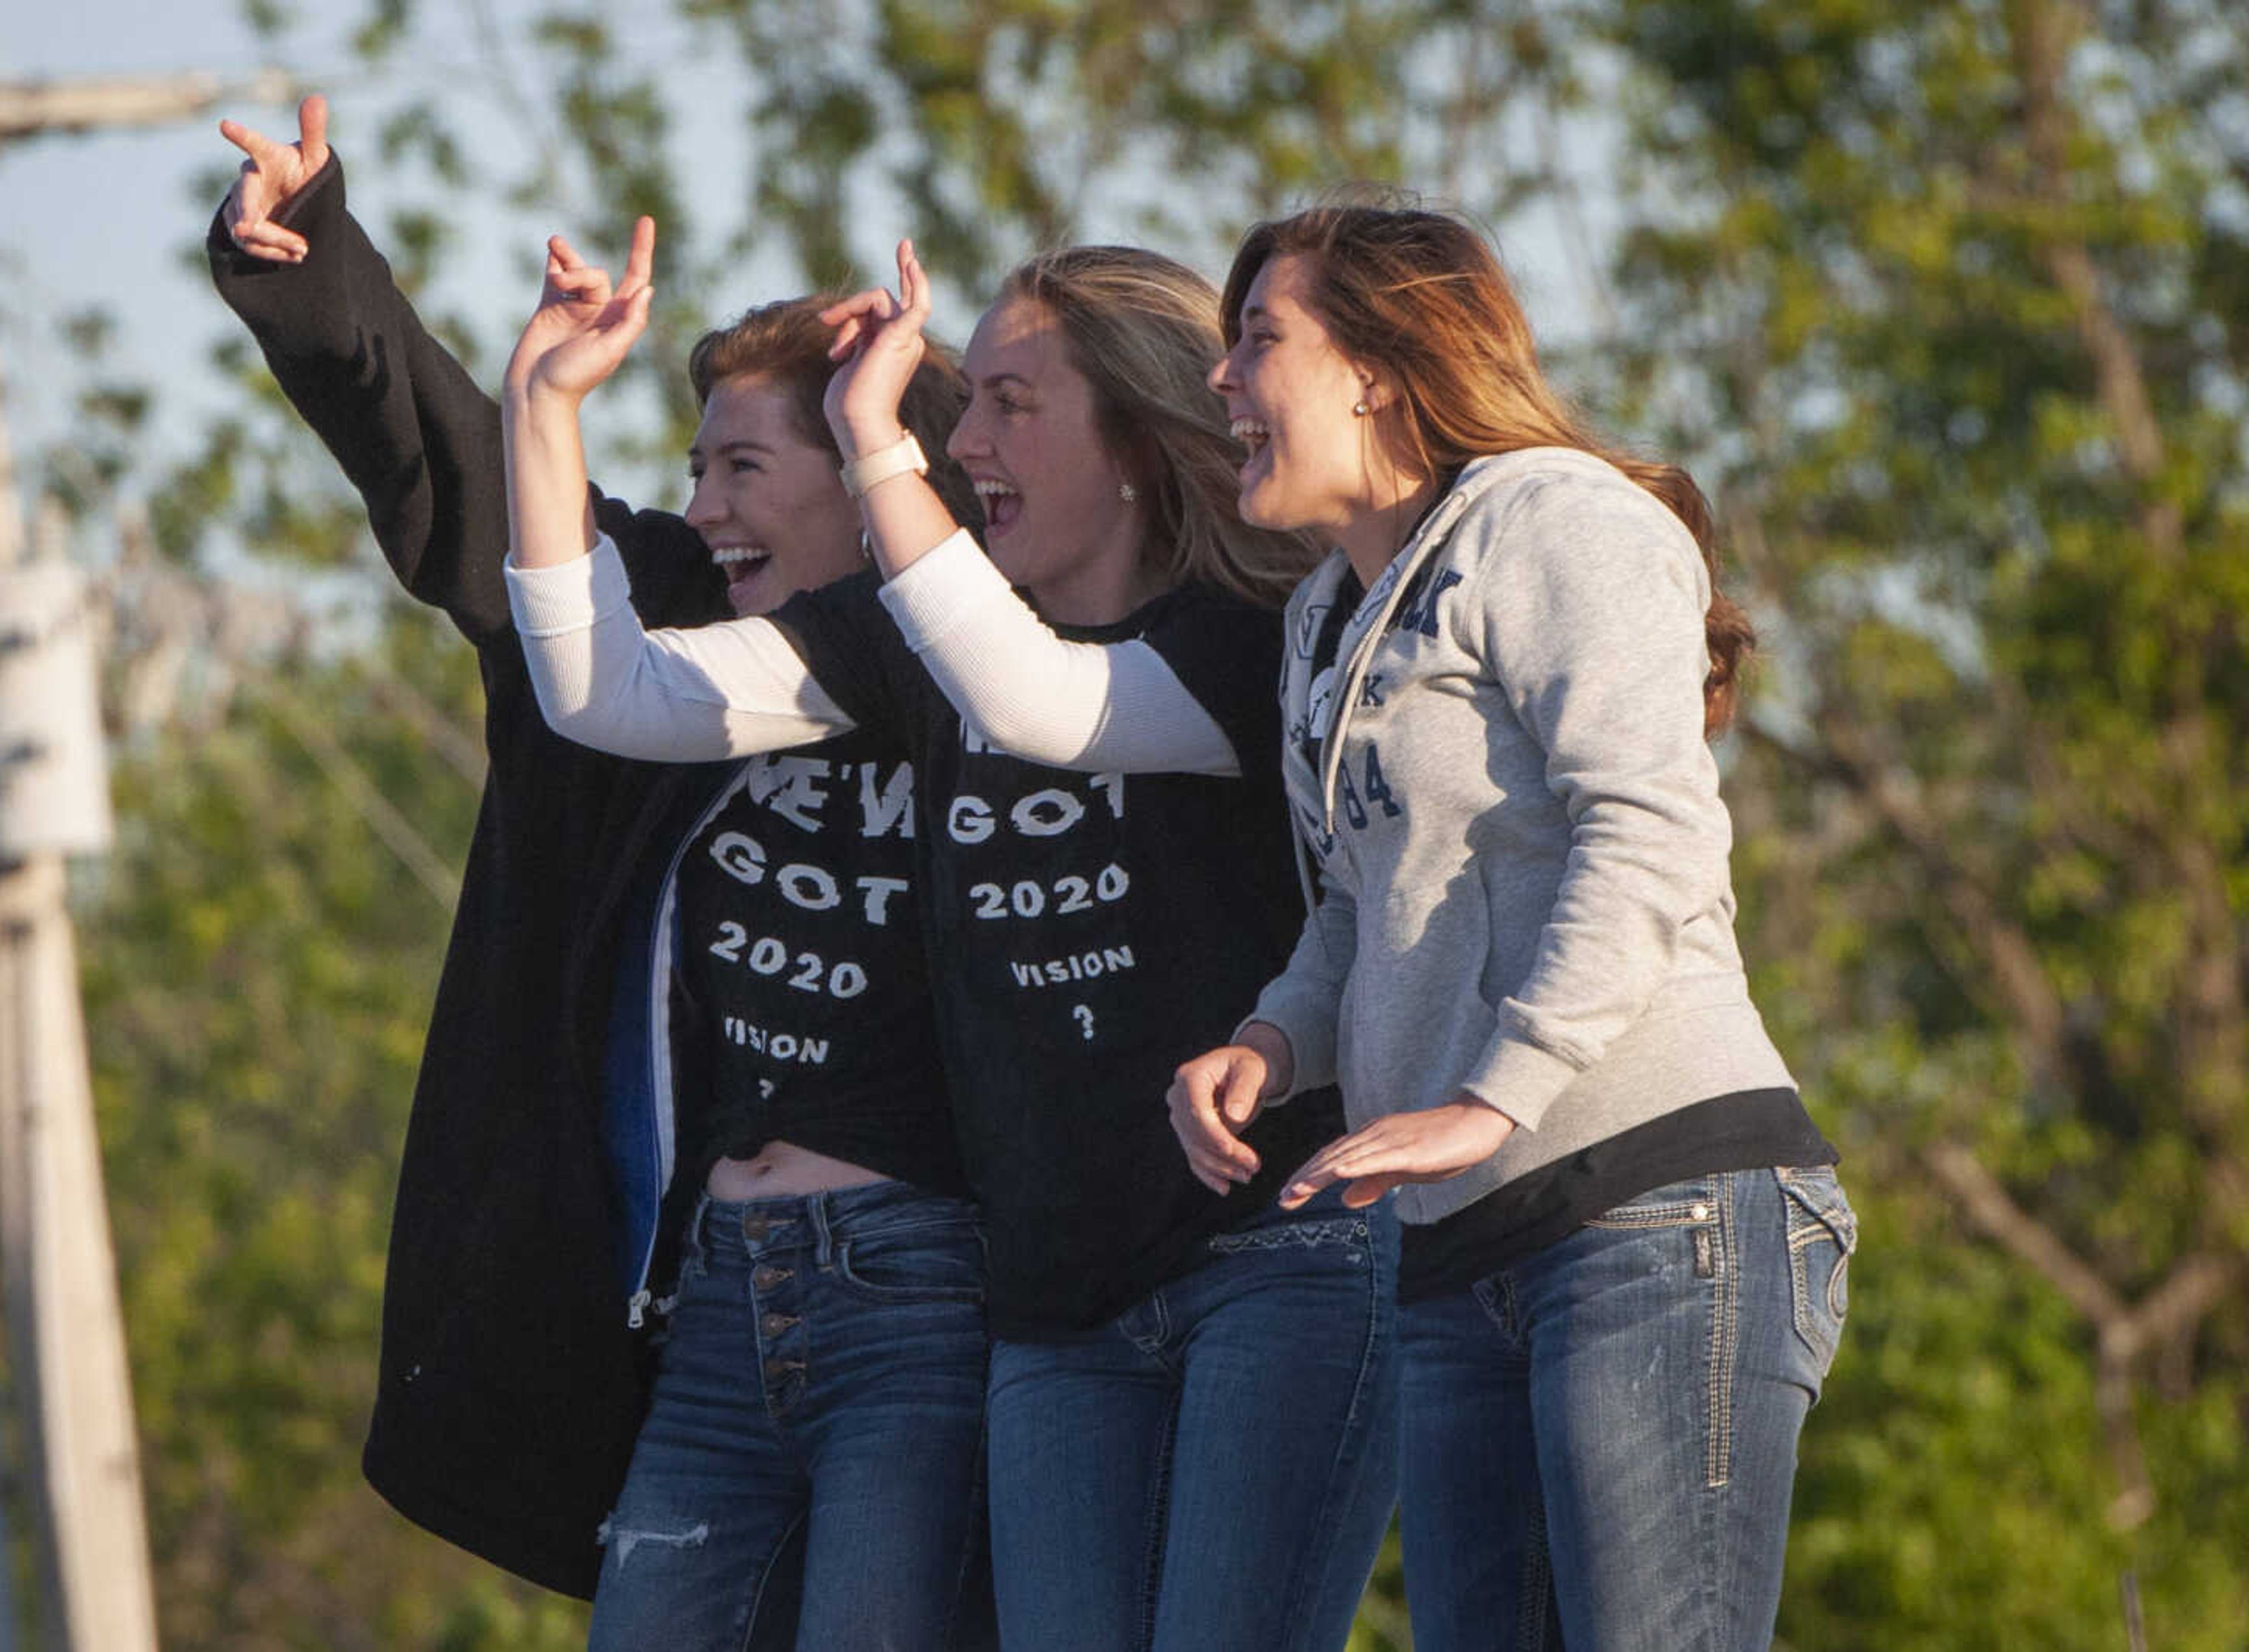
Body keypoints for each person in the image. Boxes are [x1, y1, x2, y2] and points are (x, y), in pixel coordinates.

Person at [501, 239, 1401, 1652]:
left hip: (1267, 1260)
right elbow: (605, 691)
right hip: (1052, 1308)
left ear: (1134, 437)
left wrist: (873, 444)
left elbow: (1040, 697)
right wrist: (542, 409)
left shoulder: (1248, 637)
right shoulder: (920, 637)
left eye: (1010, 402)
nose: (964, 438)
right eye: (957, 400)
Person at [210, 98, 997, 1651]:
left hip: (937, 1306)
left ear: (864, 466)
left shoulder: (1004, 663)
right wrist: (320, 266)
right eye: (694, 468)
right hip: (704, 1304)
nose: (703, 505)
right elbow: (451, 467)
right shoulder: (659, 624)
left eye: (742, 468)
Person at [1149, 202, 1857, 1651]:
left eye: (1258, 340)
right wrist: (1273, 1043)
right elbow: (1363, 899)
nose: (1222, 382)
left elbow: (1649, 826)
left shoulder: (1558, 520)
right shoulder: (1322, 617)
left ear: (1381, 367)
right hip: (1458, 1255)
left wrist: (1494, 1092)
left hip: (1657, 1215)